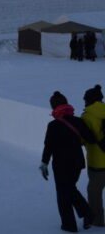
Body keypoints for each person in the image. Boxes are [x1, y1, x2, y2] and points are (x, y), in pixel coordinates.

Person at [43, 91, 96, 232]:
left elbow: (48, 146)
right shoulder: (78, 121)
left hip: (60, 165)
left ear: (53, 107)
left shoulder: (53, 125)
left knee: (63, 194)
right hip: (77, 163)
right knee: (69, 189)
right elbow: (91, 139)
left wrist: (44, 163)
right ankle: (85, 214)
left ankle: (72, 223)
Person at [82, 85, 105, 227]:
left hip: (98, 164)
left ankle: (98, 220)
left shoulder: (86, 117)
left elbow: (82, 139)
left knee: (94, 193)